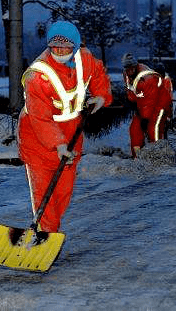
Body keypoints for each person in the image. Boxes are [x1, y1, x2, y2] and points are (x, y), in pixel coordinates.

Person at [17, 20, 113, 233]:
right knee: (44, 195)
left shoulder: (84, 59)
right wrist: (58, 144)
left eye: (66, 47)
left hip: (71, 134)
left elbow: (98, 73)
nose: (60, 52)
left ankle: (49, 229)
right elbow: (40, 118)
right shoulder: (37, 76)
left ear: (76, 46)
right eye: (55, 47)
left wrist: (100, 95)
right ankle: (46, 236)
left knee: (63, 193)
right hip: (37, 139)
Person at [122, 53, 171, 158]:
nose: (129, 71)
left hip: (159, 103)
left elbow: (150, 100)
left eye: (131, 68)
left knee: (154, 129)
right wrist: (132, 101)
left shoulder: (147, 78)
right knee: (135, 129)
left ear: (135, 66)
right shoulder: (127, 74)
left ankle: (159, 156)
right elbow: (130, 90)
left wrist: (145, 118)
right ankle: (137, 156)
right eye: (127, 68)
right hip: (143, 105)